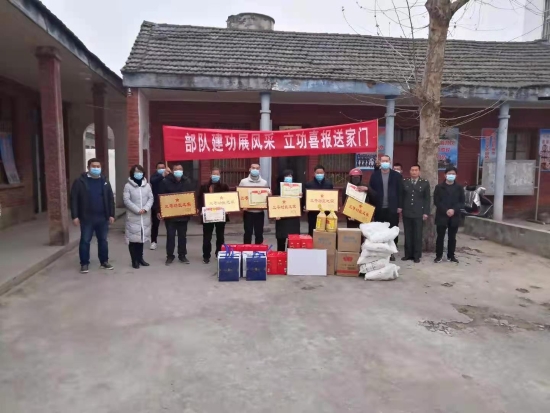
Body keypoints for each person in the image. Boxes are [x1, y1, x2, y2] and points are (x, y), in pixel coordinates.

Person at [70, 158, 115, 273]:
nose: (96, 168)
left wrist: (111, 214)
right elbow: (74, 199)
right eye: (93, 166)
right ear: (88, 167)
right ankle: (84, 263)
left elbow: (110, 199)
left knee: (103, 240)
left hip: (102, 217)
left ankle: (104, 262)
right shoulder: (80, 181)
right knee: (85, 240)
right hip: (87, 218)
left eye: (98, 166)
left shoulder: (104, 181)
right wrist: (75, 216)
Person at [155, 164, 195, 265]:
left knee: (182, 237)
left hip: (183, 215)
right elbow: (160, 197)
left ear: (183, 170)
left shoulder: (187, 181)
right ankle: (170, 256)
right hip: (170, 215)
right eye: (176, 169)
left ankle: (182, 255)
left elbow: (191, 196)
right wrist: (159, 210)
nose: (178, 171)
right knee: (170, 237)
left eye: (180, 169)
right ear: (172, 171)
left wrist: (194, 209)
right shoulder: (165, 181)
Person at [369, 154, 403, 261]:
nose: (385, 163)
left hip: (392, 207)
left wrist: (400, 206)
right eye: (383, 161)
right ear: (380, 162)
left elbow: (400, 192)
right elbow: (371, 191)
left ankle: (392, 252)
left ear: (390, 162)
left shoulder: (396, 176)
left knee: (392, 230)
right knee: (380, 231)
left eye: (386, 161)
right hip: (379, 207)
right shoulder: (375, 175)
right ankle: (381, 251)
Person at [123, 165, 154, 269]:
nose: (138, 174)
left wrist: (145, 208)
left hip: (144, 216)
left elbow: (151, 198)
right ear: (132, 173)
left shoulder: (147, 185)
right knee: (133, 240)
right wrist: (137, 210)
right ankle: (134, 260)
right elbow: (126, 200)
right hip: (133, 216)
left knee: (141, 239)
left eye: (140, 171)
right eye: (136, 172)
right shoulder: (128, 186)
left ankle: (140, 258)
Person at [197, 167, 230, 263]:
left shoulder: (224, 186)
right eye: (214, 174)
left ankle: (219, 253)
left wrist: (229, 209)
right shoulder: (204, 186)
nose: (215, 176)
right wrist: (200, 209)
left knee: (220, 236)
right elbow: (199, 199)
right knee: (207, 236)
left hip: (220, 214)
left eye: (217, 174)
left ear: (220, 175)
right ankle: (206, 256)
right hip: (208, 214)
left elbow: (228, 199)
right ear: (210, 175)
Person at [433, 166, 465, 264]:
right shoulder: (439, 187)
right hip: (442, 215)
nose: (451, 175)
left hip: (454, 215)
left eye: (453, 174)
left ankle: (451, 256)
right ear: (445, 175)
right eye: (449, 173)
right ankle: (438, 256)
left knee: (452, 237)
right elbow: (436, 201)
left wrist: (453, 210)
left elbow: (462, 202)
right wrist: (446, 210)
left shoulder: (459, 188)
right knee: (440, 237)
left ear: (456, 175)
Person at [400, 164, 430, 263]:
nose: (414, 172)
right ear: (409, 171)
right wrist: (400, 207)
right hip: (407, 211)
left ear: (419, 172)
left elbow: (427, 199)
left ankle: (416, 255)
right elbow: (402, 196)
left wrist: (426, 212)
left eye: (416, 170)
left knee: (417, 234)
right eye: (412, 170)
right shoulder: (405, 182)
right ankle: (408, 254)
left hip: (419, 212)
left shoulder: (424, 183)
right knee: (408, 234)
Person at [239, 163, 270, 244]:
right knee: (247, 233)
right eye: (253, 168)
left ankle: (258, 250)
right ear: (250, 169)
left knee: (259, 233)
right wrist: (242, 206)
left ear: (259, 170)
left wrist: (269, 196)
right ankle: (246, 250)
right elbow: (239, 195)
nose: (255, 170)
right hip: (248, 212)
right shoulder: (244, 182)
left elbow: (267, 197)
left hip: (259, 212)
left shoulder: (264, 182)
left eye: (257, 168)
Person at [274, 170, 302, 251]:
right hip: (281, 218)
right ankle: (280, 255)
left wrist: (301, 197)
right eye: (287, 176)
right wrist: (275, 214)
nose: (289, 177)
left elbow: (302, 204)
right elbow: (274, 203)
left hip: (293, 217)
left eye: (290, 176)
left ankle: (291, 256)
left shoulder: (297, 188)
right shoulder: (277, 189)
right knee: (281, 239)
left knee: (293, 240)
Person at [304, 165, 334, 236]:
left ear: (324, 173)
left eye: (321, 173)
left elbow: (332, 197)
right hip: (313, 213)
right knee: (313, 230)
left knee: (325, 231)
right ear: (314, 173)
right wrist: (305, 206)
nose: (319, 174)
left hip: (326, 212)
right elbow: (306, 197)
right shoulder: (309, 184)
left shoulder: (329, 184)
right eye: (318, 173)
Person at [149, 161, 171, 250]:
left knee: (169, 225)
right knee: (155, 224)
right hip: (156, 204)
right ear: (156, 169)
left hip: (167, 203)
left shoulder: (169, 176)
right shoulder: (154, 176)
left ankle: (170, 243)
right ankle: (153, 241)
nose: (162, 169)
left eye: (163, 167)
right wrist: (163, 175)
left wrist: (170, 174)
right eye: (160, 168)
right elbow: (153, 181)